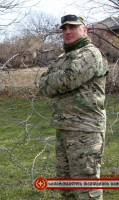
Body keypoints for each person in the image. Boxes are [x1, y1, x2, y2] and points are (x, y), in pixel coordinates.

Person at [39, 14, 108, 200]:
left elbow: (68, 79)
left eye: (72, 27)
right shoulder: (63, 57)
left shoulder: (90, 53)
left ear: (84, 29)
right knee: (66, 188)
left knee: (86, 189)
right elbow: (43, 85)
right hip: (64, 128)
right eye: (64, 29)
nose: (67, 31)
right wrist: (55, 80)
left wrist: (54, 81)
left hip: (85, 130)